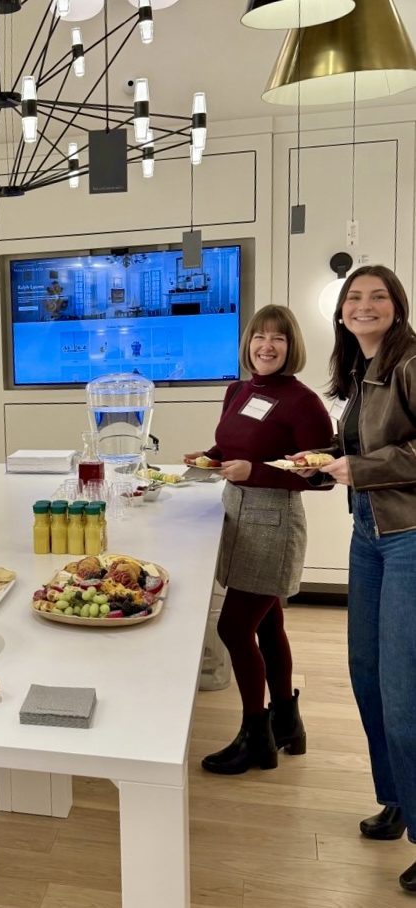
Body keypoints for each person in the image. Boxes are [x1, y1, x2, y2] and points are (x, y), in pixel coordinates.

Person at [292, 265, 416, 895]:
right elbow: (364, 453)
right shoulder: (362, 372)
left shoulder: (411, 363)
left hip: (409, 536)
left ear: (397, 306)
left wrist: (358, 469)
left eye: (378, 297)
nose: (365, 306)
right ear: (341, 313)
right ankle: (397, 799)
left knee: (403, 691)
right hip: (368, 533)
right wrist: (326, 467)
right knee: (365, 673)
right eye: (354, 299)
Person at [184, 304, 332, 775]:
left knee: (234, 627)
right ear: (247, 343)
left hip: (274, 520)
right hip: (236, 513)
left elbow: (321, 476)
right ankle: (287, 723)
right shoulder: (239, 389)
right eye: (259, 337)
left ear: (291, 347)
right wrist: (209, 457)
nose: (267, 346)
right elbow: (234, 445)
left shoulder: (303, 402)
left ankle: (257, 737)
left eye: (278, 338)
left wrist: (258, 472)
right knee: (267, 623)